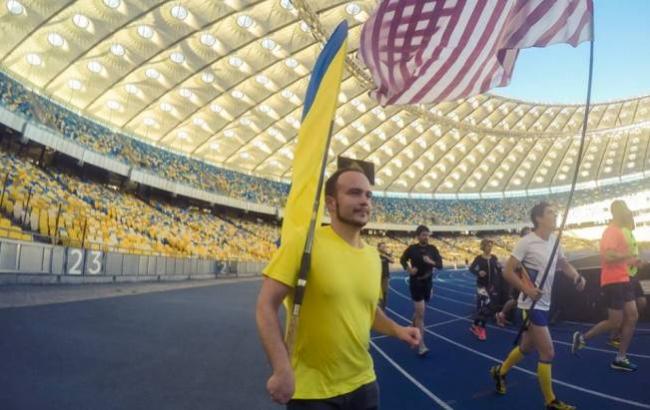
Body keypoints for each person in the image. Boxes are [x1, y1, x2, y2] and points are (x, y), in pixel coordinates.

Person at [256, 167, 420, 408]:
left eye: (368, 195)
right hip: (313, 393)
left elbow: (367, 311)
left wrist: (398, 330)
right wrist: (281, 368)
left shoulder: (373, 257)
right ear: (331, 203)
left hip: (364, 385)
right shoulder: (304, 243)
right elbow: (265, 306)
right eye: (354, 193)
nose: (364, 201)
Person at [490, 202, 586, 410]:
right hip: (530, 305)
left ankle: (500, 372)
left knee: (526, 347)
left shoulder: (555, 241)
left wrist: (576, 277)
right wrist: (527, 290)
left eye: (555, 212)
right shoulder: (527, 242)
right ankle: (550, 401)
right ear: (539, 218)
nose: (555, 215)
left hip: (545, 304)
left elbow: (563, 263)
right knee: (548, 353)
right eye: (550, 212)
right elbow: (507, 271)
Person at [571, 200, 641, 371]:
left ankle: (620, 357)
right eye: (625, 210)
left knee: (632, 315)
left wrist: (632, 261)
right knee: (615, 322)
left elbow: (618, 257)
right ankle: (582, 338)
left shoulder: (619, 231)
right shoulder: (611, 231)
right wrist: (627, 256)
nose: (628, 213)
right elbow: (608, 256)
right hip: (613, 280)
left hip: (623, 278)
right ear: (618, 213)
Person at [400, 225, 443, 356]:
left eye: (427, 234)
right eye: (423, 234)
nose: (426, 237)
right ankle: (421, 345)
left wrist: (431, 261)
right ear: (418, 236)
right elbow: (402, 259)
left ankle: (412, 325)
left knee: (420, 312)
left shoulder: (433, 249)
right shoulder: (412, 249)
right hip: (416, 283)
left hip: (428, 283)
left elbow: (440, 265)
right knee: (421, 315)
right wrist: (409, 269)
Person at [609, 208, 647, 347]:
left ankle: (622, 330)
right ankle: (615, 335)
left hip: (633, 274)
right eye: (631, 218)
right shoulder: (622, 233)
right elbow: (617, 257)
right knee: (628, 312)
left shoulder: (630, 233)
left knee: (641, 302)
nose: (633, 221)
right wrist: (632, 261)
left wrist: (638, 262)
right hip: (624, 276)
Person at [495, 227, 532, 327]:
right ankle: (501, 315)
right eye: (528, 234)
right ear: (523, 236)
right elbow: (516, 265)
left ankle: (502, 315)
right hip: (520, 279)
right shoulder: (521, 247)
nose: (531, 236)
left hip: (526, 279)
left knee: (518, 301)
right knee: (516, 300)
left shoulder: (529, 247)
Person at [468, 239, 502, 341]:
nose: (490, 247)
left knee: (486, 308)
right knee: (486, 307)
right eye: (488, 246)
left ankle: (475, 325)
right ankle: (482, 329)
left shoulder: (494, 257)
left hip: (491, 286)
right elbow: (471, 269)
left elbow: (498, 269)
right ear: (483, 247)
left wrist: (500, 268)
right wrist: (478, 272)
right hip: (481, 286)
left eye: (491, 246)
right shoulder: (479, 258)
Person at [378, 242, 394, 309]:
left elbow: (392, 261)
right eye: (383, 247)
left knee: (385, 292)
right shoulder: (375, 254)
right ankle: (377, 307)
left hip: (385, 276)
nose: (384, 248)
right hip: (377, 277)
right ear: (378, 247)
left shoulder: (386, 255)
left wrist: (386, 256)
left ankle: (383, 307)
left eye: (385, 247)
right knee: (377, 293)